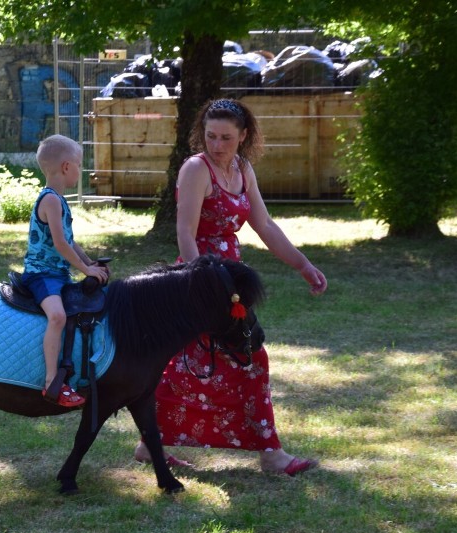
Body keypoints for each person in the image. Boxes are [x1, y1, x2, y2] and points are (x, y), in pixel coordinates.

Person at [134, 98, 327, 475]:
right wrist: (205, 283)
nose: (217, 145)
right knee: (220, 359)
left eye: (226, 137)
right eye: (210, 136)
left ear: (243, 137)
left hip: (231, 278)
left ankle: (149, 444)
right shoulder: (195, 169)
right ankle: (269, 454)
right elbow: (185, 235)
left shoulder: (242, 168)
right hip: (200, 279)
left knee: (201, 362)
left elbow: (265, 226)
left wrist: (303, 264)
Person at [20, 134, 109, 407]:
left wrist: (90, 262)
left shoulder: (59, 199)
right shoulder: (50, 200)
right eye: (80, 165)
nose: (81, 171)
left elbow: (70, 239)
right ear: (67, 167)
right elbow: (60, 244)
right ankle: (51, 383)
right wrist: (84, 269)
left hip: (57, 274)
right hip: (41, 274)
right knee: (58, 317)